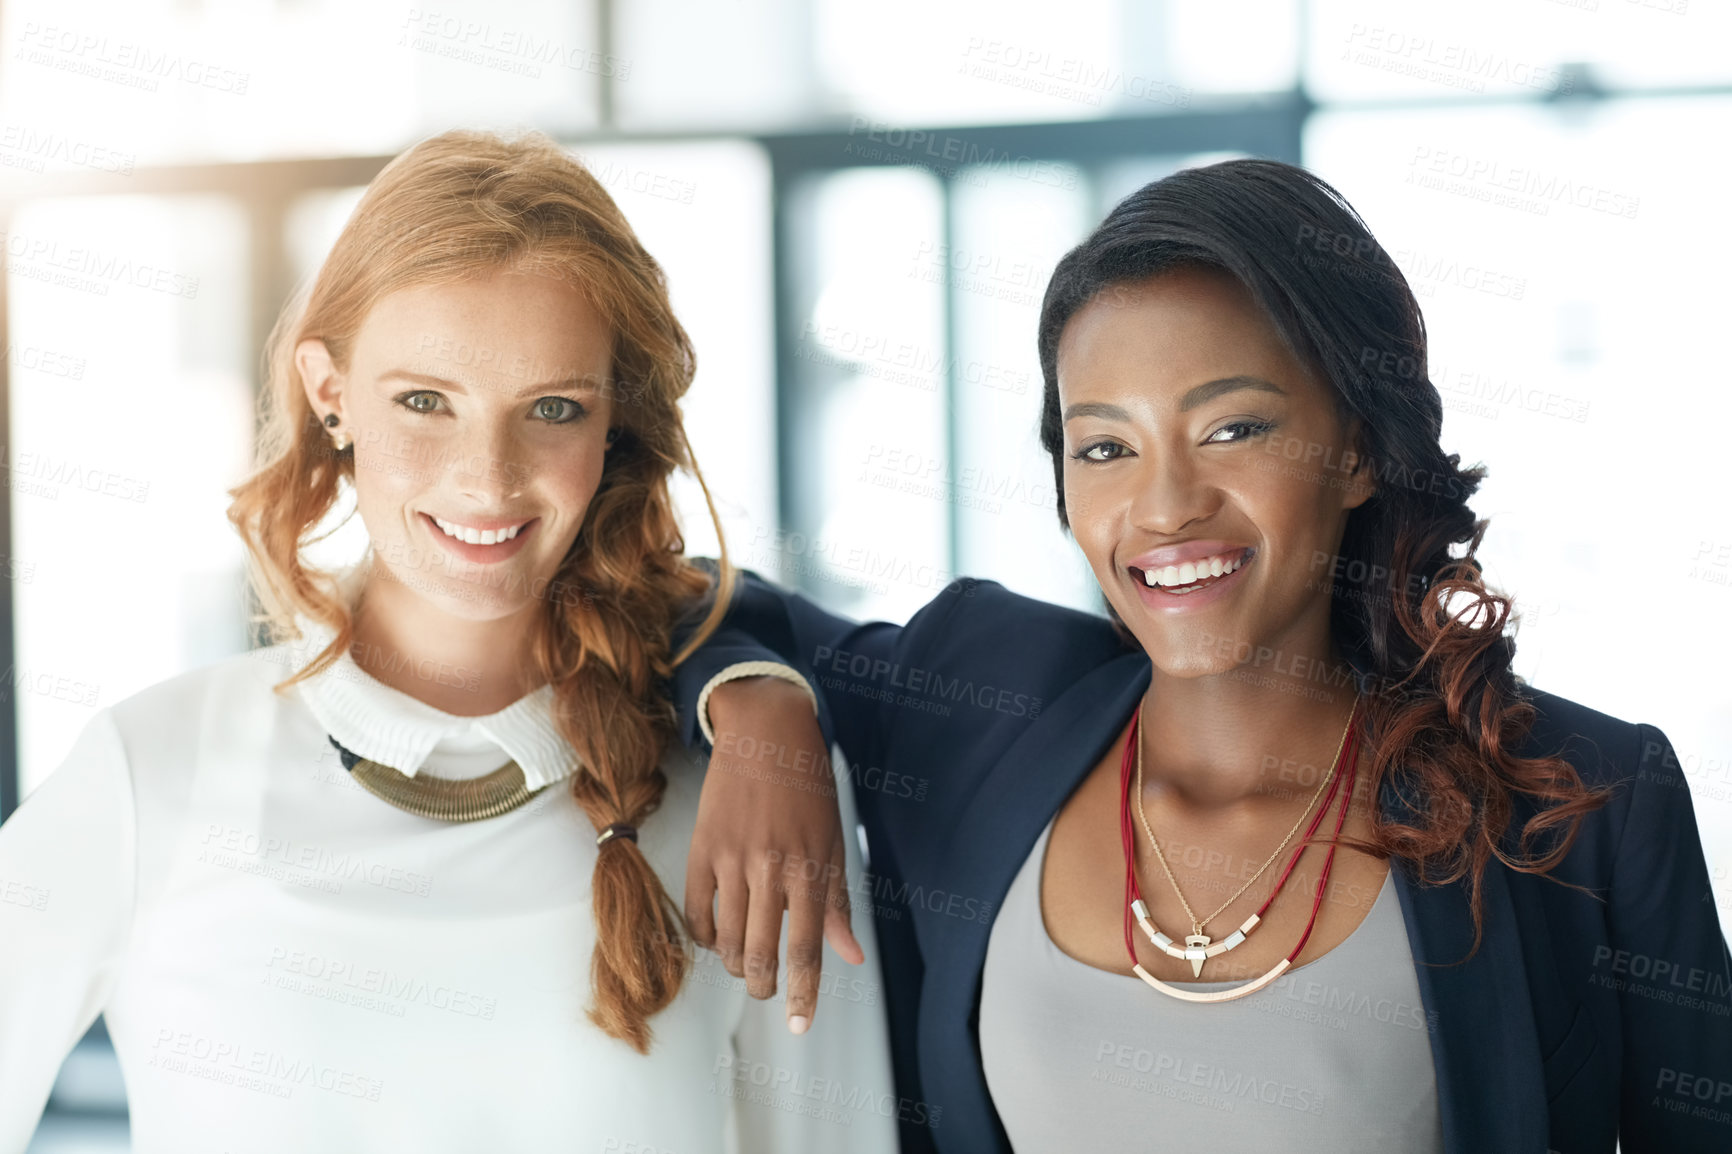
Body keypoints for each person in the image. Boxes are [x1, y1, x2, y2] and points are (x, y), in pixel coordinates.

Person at [687, 158, 1732, 1153]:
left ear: (1359, 449)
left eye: (1232, 428)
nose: (1164, 505)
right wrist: (756, 709)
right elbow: (686, 596)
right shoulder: (979, 706)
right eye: (1105, 447)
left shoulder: (1580, 800)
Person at [0, 128, 896, 1154]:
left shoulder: (742, 801)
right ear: (330, 394)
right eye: (424, 401)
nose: (487, 476)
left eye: (552, 408)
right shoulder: (149, 773)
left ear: (614, 428)